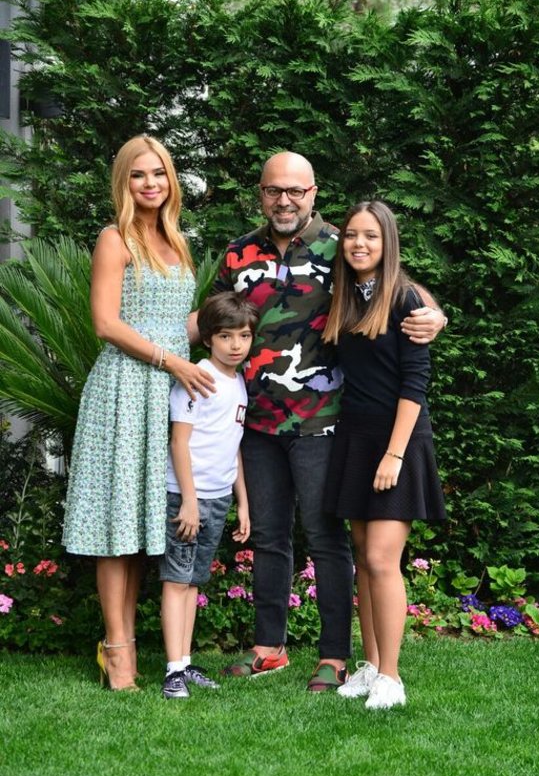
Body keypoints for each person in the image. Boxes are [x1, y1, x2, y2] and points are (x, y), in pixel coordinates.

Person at [190, 151, 446, 691]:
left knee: (328, 539)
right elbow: (210, 319)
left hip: (325, 422)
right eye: (273, 190)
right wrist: (150, 343)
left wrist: (435, 314)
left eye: (295, 191)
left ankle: (335, 656)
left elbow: (397, 285)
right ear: (260, 194)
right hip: (256, 421)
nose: (284, 200)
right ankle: (269, 647)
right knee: (268, 537)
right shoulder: (239, 253)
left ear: (313, 193)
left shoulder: (340, 245)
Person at [62, 135, 215, 692]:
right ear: (123, 182)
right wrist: (172, 361)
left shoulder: (178, 241)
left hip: (166, 394)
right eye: (138, 175)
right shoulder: (115, 238)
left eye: (159, 174)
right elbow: (106, 323)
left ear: (171, 180)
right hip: (124, 392)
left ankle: (126, 647)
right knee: (116, 523)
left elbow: (177, 322)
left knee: (142, 520)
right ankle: (118, 650)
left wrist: (234, 318)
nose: (150, 184)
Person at [322, 200, 446, 709]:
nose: (359, 244)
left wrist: (394, 455)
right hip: (355, 437)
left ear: (388, 242)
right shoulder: (347, 295)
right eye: (352, 235)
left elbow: (415, 384)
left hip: (399, 440)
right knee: (363, 558)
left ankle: (392, 679)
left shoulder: (405, 298)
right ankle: (371, 665)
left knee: (380, 558)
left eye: (371, 236)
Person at [160, 292, 259, 699]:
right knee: (176, 580)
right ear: (207, 338)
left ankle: (184, 662)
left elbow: (233, 444)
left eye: (244, 336)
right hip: (187, 497)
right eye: (225, 336)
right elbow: (178, 442)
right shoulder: (196, 377)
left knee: (193, 581)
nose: (236, 345)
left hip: (218, 497)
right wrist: (188, 501)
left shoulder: (239, 382)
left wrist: (243, 501)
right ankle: (172, 671)